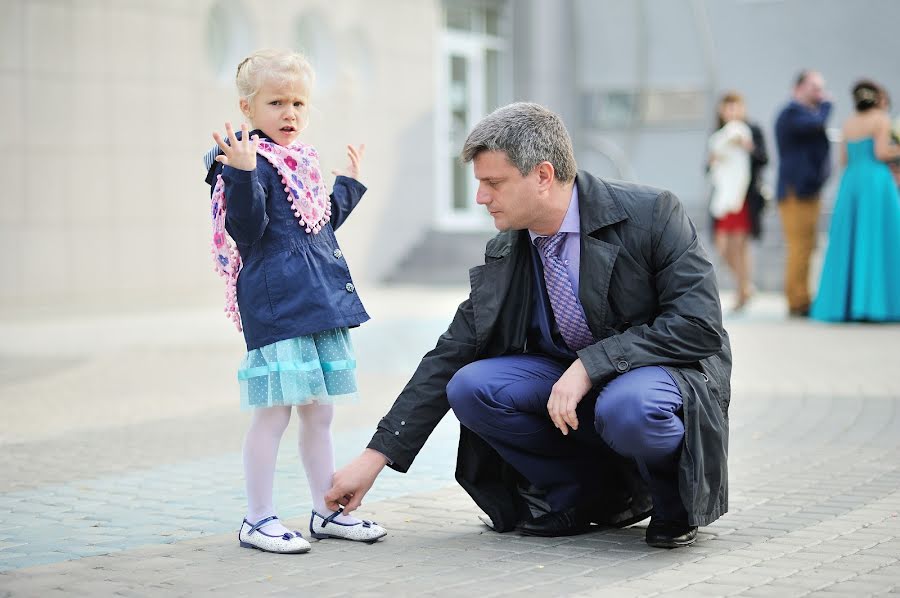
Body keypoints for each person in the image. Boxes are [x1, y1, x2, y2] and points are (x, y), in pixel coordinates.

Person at [327, 103, 731, 549]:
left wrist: (589, 366)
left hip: (657, 376)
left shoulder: (653, 214)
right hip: (568, 385)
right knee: (471, 386)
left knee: (628, 407)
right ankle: (581, 497)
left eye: (492, 182)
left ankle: (673, 502)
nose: (481, 197)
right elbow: (451, 352)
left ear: (542, 175)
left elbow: (699, 325)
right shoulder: (509, 248)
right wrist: (375, 457)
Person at [206, 48, 385, 554]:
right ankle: (258, 518)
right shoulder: (241, 161)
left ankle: (327, 510)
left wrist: (347, 184)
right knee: (273, 414)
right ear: (247, 109)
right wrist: (241, 174)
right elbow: (248, 230)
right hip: (279, 305)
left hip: (317, 300)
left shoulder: (301, 160)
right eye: (276, 102)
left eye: (299, 103)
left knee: (319, 413)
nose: (290, 114)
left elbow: (316, 225)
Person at [810, 80, 900, 322]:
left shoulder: (848, 123)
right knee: (878, 240)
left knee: (852, 241)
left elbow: (844, 160)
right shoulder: (881, 119)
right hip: (875, 182)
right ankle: (879, 304)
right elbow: (882, 153)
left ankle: (847, 304)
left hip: (852, 183)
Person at [774, 70, 833, 317]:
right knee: (799, 247)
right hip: (794, 192)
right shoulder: (791, 113)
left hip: (808, 192)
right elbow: (815, 125)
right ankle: (796, 302)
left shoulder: (806, 114)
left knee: (808, 247)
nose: (820, 93)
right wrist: (828, 105)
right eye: (814, 87)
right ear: (798, 88)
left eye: (822, 88)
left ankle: (802, 298)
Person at [707, 92, 757, 311]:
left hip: (742, 196)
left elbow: (762, 158)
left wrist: (748, 148)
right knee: (723, 247)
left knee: (739, 246)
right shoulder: (718, 135)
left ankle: (741, 291)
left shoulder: (748, 131)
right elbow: (709, 166)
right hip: (723, 197)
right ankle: (745, 285)